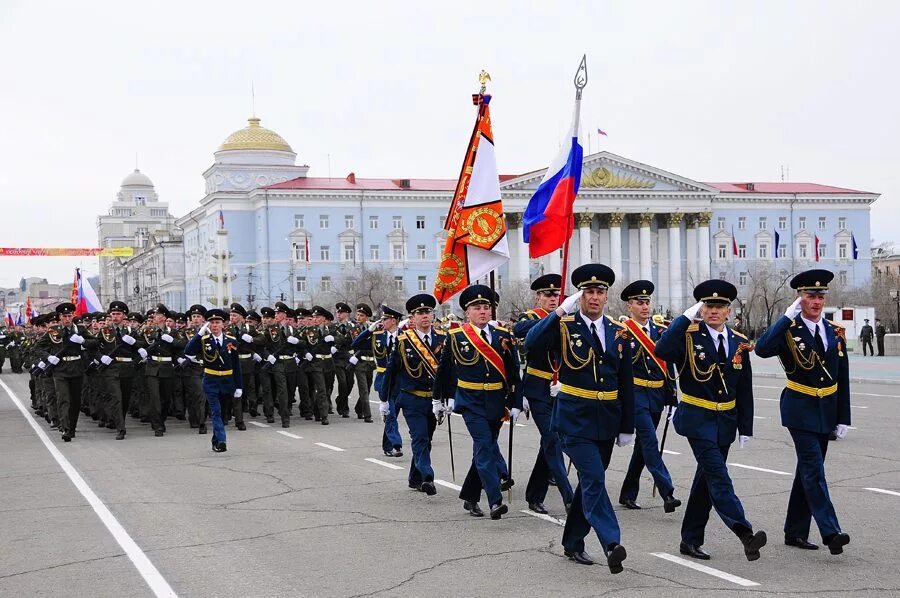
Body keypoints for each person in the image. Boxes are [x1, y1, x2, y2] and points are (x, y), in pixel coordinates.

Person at [524, 264, 634, 574]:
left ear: (606, 296)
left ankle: (573, 541)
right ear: (580, 296)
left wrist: (627, 426)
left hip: (606, 419)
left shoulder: (618, 330)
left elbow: (625, 381)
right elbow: (531, 342)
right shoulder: (564, 325)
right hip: (573, 419)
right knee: (596, 479)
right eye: (588, 292)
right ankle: (612, 543)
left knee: (589, 484)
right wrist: (558, 312)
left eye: (600, 292)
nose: (595, 297)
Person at [654, 280, 767, 562]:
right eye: (708, 306)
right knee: (718, 476)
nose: (713, 311)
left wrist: (745, 426)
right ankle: (745, 532)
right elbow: (662, 350)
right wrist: (684, 318)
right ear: (701, 309)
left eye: (719, 306)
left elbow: (744, 387)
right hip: (696, 418)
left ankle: (690, 539)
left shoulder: (739, 342)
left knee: (706, 482)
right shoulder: (687, 335)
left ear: (729, 310)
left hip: (725, 420)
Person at [754, 269, 851, 555]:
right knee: (813, 469)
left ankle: (795, 532)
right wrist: (786, 317)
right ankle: (831, 532)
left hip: (826, 410)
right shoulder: (788, 330)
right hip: (799, 408)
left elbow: (841, 375)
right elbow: (761, 349)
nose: (817, 301)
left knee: (807, 473)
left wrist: (844, 417)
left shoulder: (834, 331)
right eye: (810, 295)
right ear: (799, 298)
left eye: (821, 296)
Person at [436, 285, 522, 520]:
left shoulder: (503, 336)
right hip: (470, 401)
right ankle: (495, 500)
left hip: (496, 401)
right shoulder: (456, 337)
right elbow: (443, 371)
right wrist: (438, 399)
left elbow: (514, 371)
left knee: (484, 449)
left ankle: (470, 496)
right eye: (477, 308)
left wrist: (516, 401)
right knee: (484, 446)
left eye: (487, 307)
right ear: (467, 312)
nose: (483, 312)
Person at [617, 280, 681, 513]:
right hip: (635, 396)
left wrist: (672, 397)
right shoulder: (624, 333)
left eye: (646, 302)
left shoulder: (659, 331)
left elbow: (668, 365)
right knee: (650, 442)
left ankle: (628, 493)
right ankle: (667, 491)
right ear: (629, 306)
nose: (644, 306)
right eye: (638, 302)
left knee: (642, 448)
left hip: (656, 395)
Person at [513, 273, 575, 516]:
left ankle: (534, 495)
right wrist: (555, 316)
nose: (553, 298)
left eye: (557, 295)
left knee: (549, 443)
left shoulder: (570, 318)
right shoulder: (531, 317)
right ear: (538, 297)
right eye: (548, 295)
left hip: (562, 389)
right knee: (553, 440)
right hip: (538, 389)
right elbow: (520, 331)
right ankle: (568, 496)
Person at [382, 294, 444, 495]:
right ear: (412, 318)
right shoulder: (403, 341)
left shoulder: (443, 339)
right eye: (420, 313)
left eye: (428, 312)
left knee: (427, 438)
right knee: (419, 437)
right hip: (411, 398)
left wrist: (448, 397)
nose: (425, 316)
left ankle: (415, 477)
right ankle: (428, 476)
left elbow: (449, 373)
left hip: (433, 400)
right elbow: (391, 372)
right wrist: (384, 400)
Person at [35, 303, 97, 442]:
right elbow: (38, 347)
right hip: (60, 369)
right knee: (63, 399)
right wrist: (48, 357)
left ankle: (72, 427)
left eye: (69, 316)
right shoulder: (54, 330)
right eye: (64, 316)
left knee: (75, 401)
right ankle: (65, 428)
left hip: (76, 368)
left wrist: (83, 341)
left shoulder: (80, 329)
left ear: (73, 316)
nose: (67, 318)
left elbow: (95, 343)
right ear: (60, 317)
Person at [184, 309, 242, 452]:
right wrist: (199, 334)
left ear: (223, 324)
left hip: (227, 381)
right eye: (212, 323)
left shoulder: (231, 340)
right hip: (211, 380)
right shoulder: (204, 340)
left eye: (218, 322)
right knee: (215, 411)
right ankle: (222, 441)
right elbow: (188, 351)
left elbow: (236, 365)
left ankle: (215, 440)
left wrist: (239, 386)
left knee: (224, 414)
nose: (215, 325)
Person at [355, 305, 404, 457]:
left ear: (394, 320)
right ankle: (396, 444)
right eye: (382, 318)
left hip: (401, 379)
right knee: (390, 411)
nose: (382, 321)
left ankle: (387, 445)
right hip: (384, 379)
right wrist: (369, 331)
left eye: (386, 319)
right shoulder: (377, 336)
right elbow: (355, 344)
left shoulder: (406, 336)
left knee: (393, 414)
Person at [350, 303, 375, 423]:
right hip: (359, 362)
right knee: (363, 389)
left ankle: (359, 408)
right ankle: (367, 415)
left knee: (368, 388)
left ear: (367, 317)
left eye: (361, 315)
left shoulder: (373, 329)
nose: (358, 317)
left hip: (370, 363)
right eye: (358, 315)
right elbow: (358, 343)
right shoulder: (355, 329)